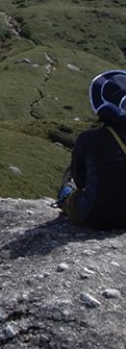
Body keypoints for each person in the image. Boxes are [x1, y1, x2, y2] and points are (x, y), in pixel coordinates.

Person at [56, 70, 126, 230]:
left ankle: (64, 197)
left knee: (69, 189)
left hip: (93, 216)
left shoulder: (88, 139)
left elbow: (81, 180)